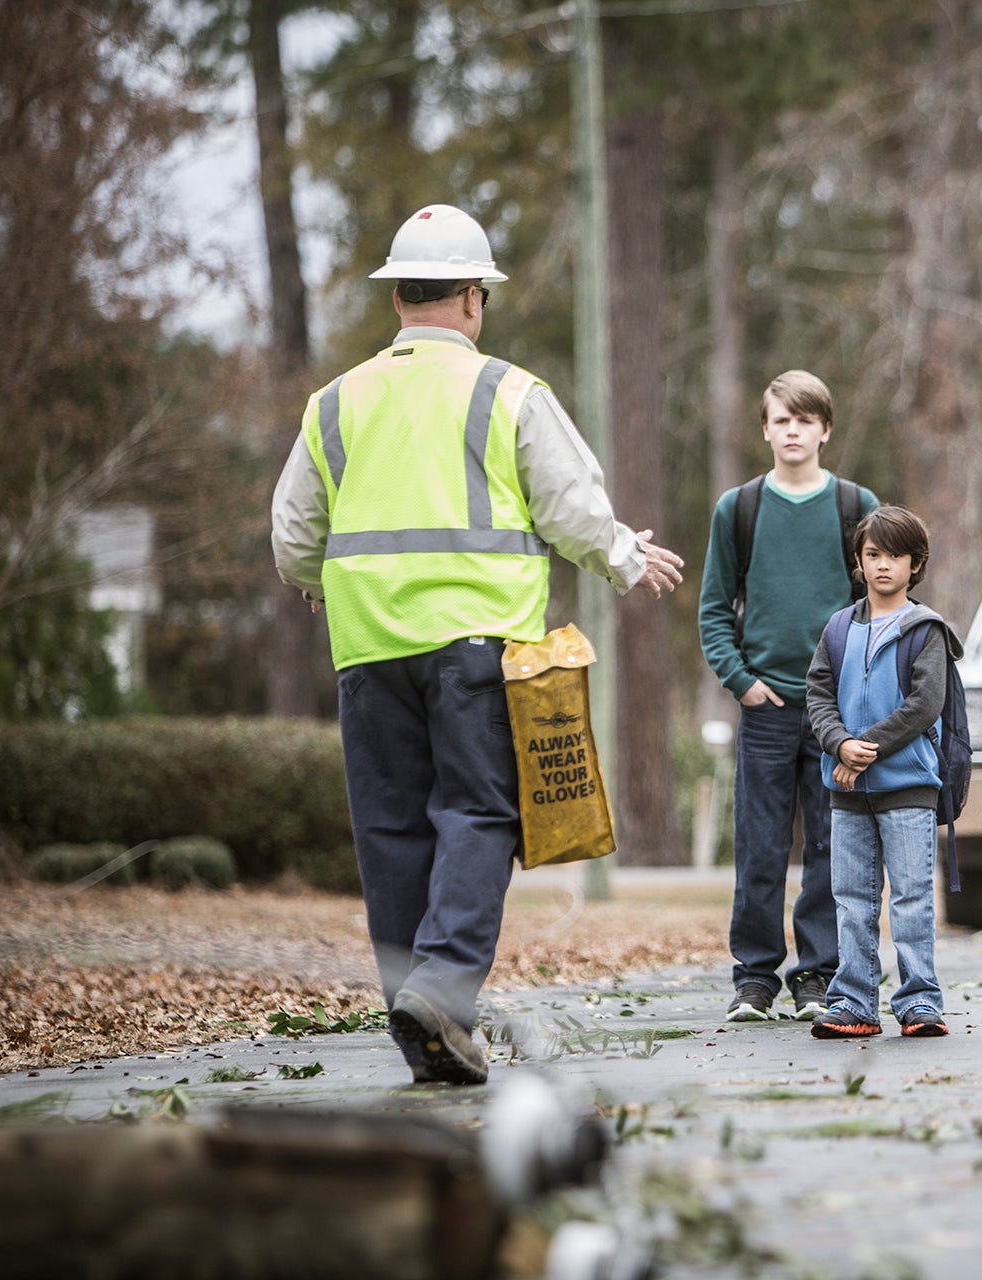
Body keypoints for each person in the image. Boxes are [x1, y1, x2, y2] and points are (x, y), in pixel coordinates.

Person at [271, 203, 684, 1085]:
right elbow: (570, 505)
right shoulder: (507, 392)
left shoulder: (334, 402)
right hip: (475, 643)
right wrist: (624, 556)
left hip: (367, 647)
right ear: (471, 296)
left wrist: (317, 583)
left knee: (390, 829)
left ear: (397, 301)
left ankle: (420, 1017)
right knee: (479, 813)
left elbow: (292, 533)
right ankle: (443, 992)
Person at [697, 371, 878, 1022]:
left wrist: (861, 692)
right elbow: (715, 609)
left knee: (834, 847)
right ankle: (754, 979)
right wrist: (742, 683)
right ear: (765, 429)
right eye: (781, 420)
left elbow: (879, 607)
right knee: (760, 847)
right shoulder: (738, 509)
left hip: (838, 713)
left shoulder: (854, 506)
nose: (793, 430)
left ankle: (818, 977)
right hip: (767, 708)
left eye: (806, 420)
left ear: (825, 429)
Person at [804, 506, 962, 1039]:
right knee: (850, 899)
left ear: (915, 564)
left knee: (912, 898)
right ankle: (853, 1003)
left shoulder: (926, 630)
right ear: (859, 561)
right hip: (846, 791)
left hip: (909, 787)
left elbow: (925, 704)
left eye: (896, 556)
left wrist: (862, 747)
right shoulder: (839, 628)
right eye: (873, 555)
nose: (883, 566)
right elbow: (818, 694)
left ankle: (920, 1003)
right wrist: (838, 743)